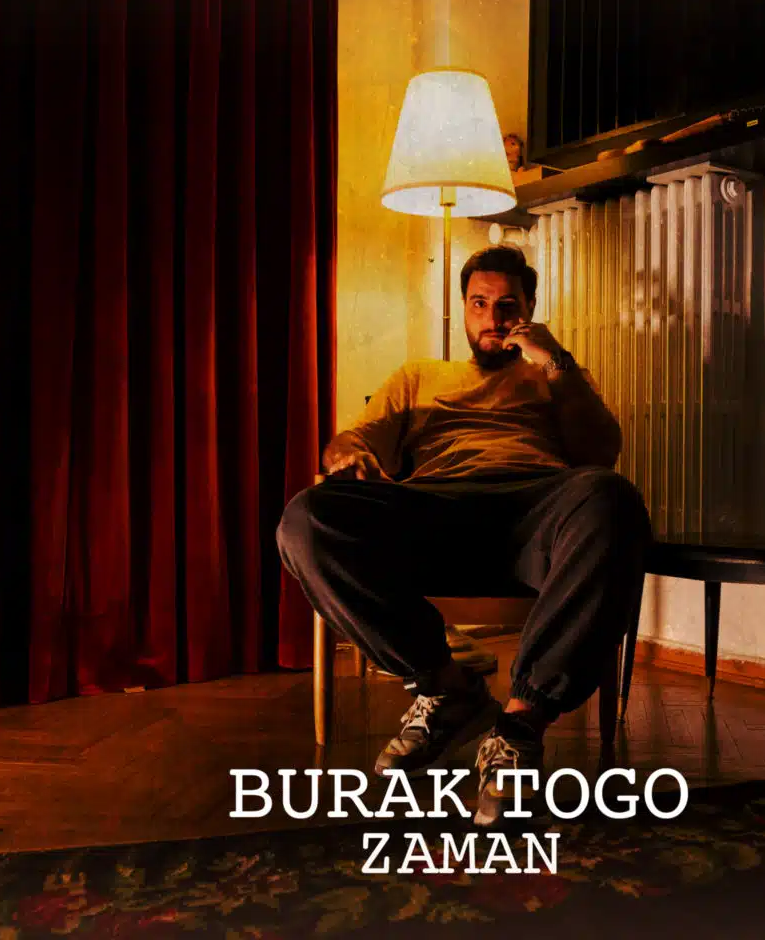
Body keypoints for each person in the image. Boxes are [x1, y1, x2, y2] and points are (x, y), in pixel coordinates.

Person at [276, 245, 651, 825]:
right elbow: (351, 442)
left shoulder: (555, 375)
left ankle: (520, 725)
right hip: (435, 508)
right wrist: (348, 454)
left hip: (535, 508)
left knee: (612, 497)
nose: (492, 318)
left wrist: (556, 361)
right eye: (479, 304)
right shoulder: (418, 377)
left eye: (507, 306)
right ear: (463, 308)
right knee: (305, 520)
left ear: (529, 309)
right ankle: (447, 686)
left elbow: (599, 455)